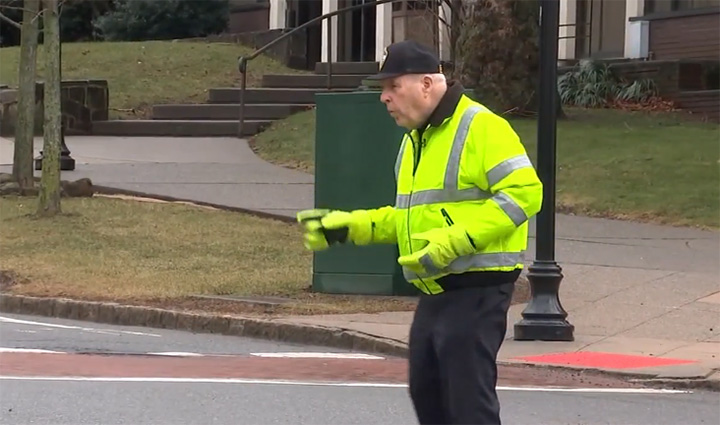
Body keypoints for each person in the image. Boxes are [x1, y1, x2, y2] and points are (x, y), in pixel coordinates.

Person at [296, 40, 543, 425]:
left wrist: (454, 242)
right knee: (428, 395)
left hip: (477, 290)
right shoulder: (415, 140)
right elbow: (408, 218)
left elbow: (526, 193)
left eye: (393, 86)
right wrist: (348, 228)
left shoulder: (482, 127)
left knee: (467, 407)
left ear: (427, 83)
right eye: (383, 89)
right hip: (435, 293)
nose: (384, 98)